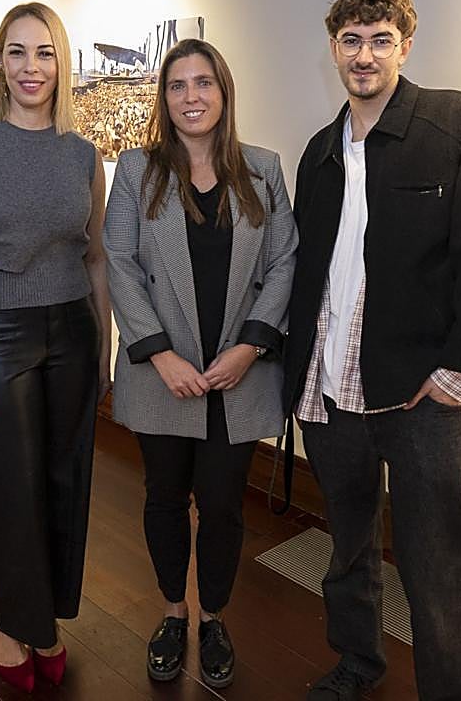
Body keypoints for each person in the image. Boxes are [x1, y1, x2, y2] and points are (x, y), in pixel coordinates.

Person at [284, 0, 461, 701]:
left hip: (420, 403)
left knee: (436, 569)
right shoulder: (319, 154)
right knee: (347, 550)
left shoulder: (457, 126)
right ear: (334, 47)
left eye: (381, 40)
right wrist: (296, 379)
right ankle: (357, 666)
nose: (365, 55)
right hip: (333, 400)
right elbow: (307, 277)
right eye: (351, 40)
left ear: (405, 46)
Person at [104, 39, 296, 689]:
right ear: (164, 98)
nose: (191, 97)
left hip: (235, 377)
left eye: (203, 83)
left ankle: (212, 616)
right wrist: (159, 353)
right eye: (178, 85)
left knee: (222, 505)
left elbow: (284, 265)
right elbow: (120, 264)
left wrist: (249, 347)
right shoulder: (137, 170)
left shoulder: (264, 170)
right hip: (164, 373)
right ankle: (172, 613)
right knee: (163, 498)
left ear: (224, 92)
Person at [0, 1, 112, 693]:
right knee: (8, 486)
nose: (30, 67)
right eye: (16, 52)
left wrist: (101, 348)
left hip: (72, 326)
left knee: (65, 481)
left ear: (60, 63)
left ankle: (46, 622)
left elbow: (94, 257)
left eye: (44, 52)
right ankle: (8, 621)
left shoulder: (82, 153)